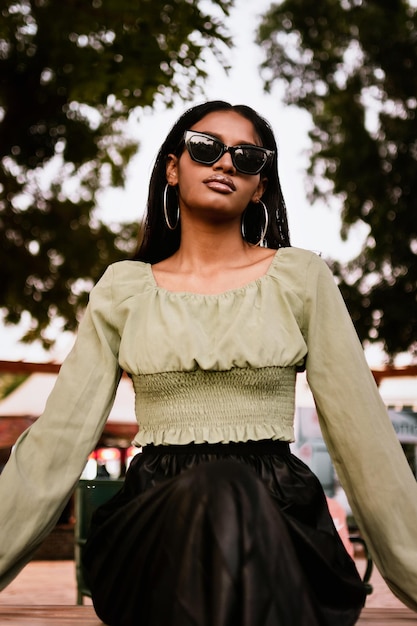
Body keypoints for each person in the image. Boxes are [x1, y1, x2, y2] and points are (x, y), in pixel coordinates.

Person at [0, 100, 416, 625]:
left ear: (259, 185)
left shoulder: (301, 278)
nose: (225, 163)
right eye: (206, 149)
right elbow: (56, 443)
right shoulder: (122, 290)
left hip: (283, 521)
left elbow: (365, 436)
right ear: (173, 167)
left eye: (247, 158)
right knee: (216, 492)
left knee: (228, 492)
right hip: (153, 522)